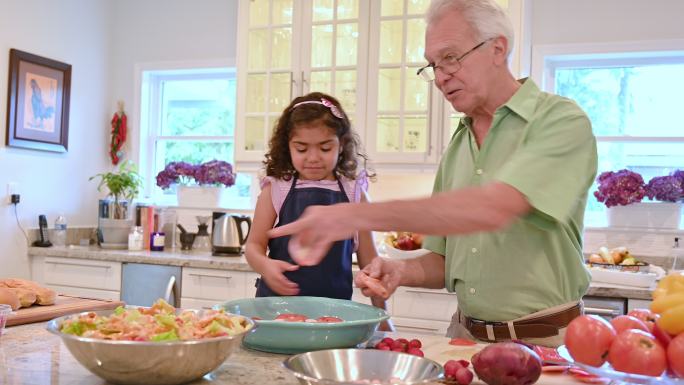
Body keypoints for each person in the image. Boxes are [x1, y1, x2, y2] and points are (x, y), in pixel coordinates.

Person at [269, 0, 597, 347]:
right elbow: (444, 259)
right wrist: (400, 270)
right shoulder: (460, 145)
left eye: (451, 58)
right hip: (464, 338)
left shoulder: (559, 121)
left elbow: (493, 208)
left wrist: (349, 214)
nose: (440, 77)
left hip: (545, 342)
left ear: (497, 49)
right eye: (433, 65)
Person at [244, 92, 392, 330]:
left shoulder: (354, 193)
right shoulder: (276, 188)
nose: (313, 158)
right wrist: (265, 266)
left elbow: (371, 264)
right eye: (301, 149)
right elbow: (253, 246)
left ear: (341, 144)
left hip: (334, 319)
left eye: (325, 148)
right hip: (275, 315)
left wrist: (383, 319)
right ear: (287, 146)